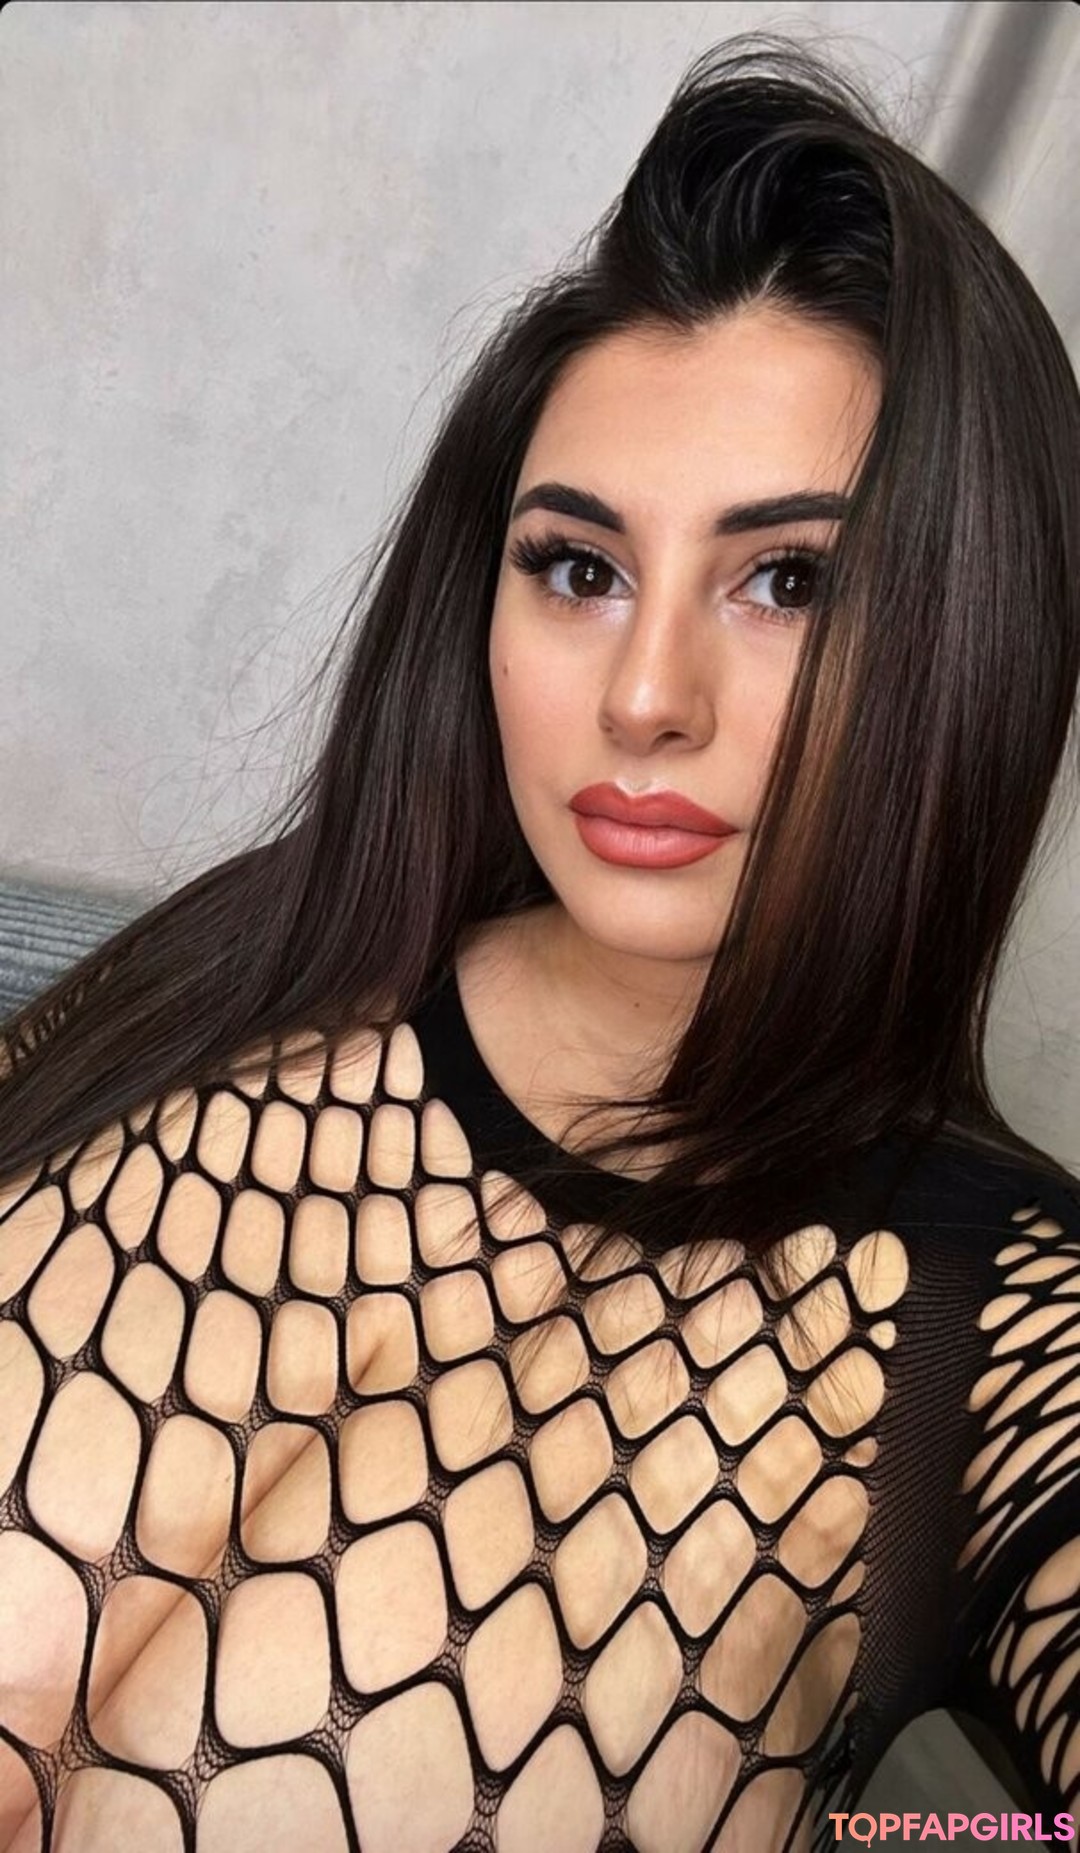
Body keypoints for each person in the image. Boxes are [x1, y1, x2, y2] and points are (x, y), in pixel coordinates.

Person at [0, 31, 1078, 1853]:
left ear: (970, 639)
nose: (646, 697)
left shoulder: (996, 1334)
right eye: (580, 567)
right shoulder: (237, 962)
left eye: (792, 581)